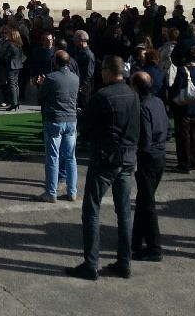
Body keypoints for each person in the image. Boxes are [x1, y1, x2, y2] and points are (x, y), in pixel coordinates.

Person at [66, 55, 140, 281]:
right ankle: (124, 262)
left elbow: (86, 123)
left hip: (106, 158)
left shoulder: (103, 95)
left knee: (91, 209)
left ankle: (91, 263)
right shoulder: (133, 94)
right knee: (124, 212)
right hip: (127, 158)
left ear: (108, 71)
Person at [130, 71, 168, 262]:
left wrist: (137, 156)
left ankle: (154, 247)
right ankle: (136, 240)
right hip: (159, 154)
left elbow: (144, 137)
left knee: (147, 203)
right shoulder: (157, 102)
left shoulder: (143, 106)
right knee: (144, 200)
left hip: (148, 157)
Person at [37, 50, 80, 203]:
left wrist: (41, 84)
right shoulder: (75, 78)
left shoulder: (51, 78)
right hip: (71, 119)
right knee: (70, 157)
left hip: (54, 119)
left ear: (56, 61)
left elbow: (40, 97)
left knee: (53, 157)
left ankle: (51, 192)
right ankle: (72, 191)